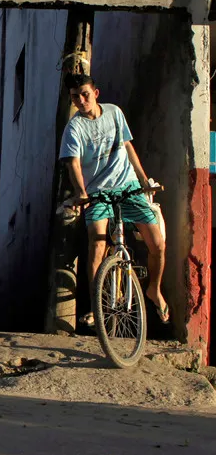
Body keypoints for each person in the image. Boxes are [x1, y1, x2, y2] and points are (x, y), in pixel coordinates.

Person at [59, 73, 168, 326]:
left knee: (158, 244)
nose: (81, 101)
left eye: (85, 94)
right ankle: (97, 306)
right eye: (75, 97)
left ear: (95, 93)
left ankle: (154, 289)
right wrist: (81, 192)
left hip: (127, 185)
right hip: (98, 192)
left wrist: (143, 180)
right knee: (96, 245)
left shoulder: (114, 113)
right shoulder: (74, 128)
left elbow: (127, 146)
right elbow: (73, 163)